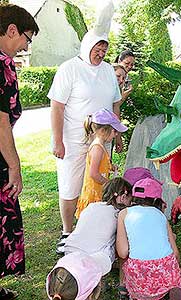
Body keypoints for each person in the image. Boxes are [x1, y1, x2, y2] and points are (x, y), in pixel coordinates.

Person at [47, 1, 123, 254]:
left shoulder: (109, 72)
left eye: (104, 49)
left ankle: (93, 229)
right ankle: (67, 231)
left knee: (98, 184)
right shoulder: (69, 69)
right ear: (87, 46)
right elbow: (56, 106)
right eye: (97, 48)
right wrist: (57, 140)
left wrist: (118, 133)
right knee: (70, 184)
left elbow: (115, 101)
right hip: (73, 139)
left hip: (102, 139)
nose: (100, 53)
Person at [0, 4, 39, 299]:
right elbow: (0, 120)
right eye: (27, 37)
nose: (26, 45)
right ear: (11, 30)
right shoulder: (1, 64)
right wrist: (15, 166)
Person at [116, 178, 181, 300]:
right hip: (165, 270)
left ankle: (137, 294)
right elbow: (176, 253)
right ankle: (174, 284)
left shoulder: (124, 213)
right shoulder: (160, 215)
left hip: (139, 274)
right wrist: (176, 268)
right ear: (156, 199)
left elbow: (122, 252)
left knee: (133, 272)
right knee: (177, 273)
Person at [75, 109, 128, 218]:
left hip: (99, 191)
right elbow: (93, 174)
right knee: (92, 221)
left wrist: (111, 167)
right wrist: (110, 185)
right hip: (94, 193)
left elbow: (100, 165)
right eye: (115, 131)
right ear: (104, 130)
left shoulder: (101, 147)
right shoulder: (97, 149)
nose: (116, 135)